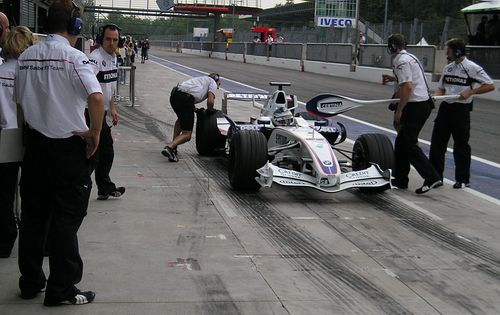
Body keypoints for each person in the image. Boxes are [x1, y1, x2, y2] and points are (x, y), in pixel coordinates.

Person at [14, 0, 104, 306]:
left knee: (32, 218)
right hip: (67, 149)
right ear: (75, 27)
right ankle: (61, 288)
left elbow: (20, 106)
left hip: (35, 146)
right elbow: (95, 96)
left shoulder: (25, 56)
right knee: (66, 219)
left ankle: (30, 282)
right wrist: (95, 133)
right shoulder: (74, 58)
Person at [429, 38, 494, 189]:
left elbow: (490, 85)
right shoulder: (448, 67)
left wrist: (471, 92)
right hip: (446, 107)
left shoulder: (472, 68)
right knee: (437, 143)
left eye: (449, 50)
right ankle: (435, 177)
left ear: (457, 51)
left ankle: (463, 179)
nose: (446, 52)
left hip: (461, 109)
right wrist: (436, 97)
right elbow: (441, 87)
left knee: (461, 145)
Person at [381, 34, 442, 194]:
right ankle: (400, 179)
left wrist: (399, 110)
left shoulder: (400, 61)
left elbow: (407, 87)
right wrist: (393, 78)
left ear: (392, 47)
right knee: (401, 144)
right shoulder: (410, 57)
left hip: (416, 106)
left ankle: (432, 176)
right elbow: (408, 79)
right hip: (421, 103)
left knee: (408, 143)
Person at [0, 26, 36, 258]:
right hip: (31, 136)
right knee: (34, 193)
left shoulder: (1, 71)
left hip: (5, 135)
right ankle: (37, 242)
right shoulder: (32, 74)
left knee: (3, 194)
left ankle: (4, 241)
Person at [88, 24, 126, 200]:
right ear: (100, 39)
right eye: (108, 39)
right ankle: (80, 185)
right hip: (91, 113)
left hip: (102, 113)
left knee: (105, 152)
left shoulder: (114, 58)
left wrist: (112, 108)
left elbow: (109, 86)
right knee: (94, 154)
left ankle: (104, 187)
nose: (111, 43)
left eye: (115, 40)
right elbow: (87, 87)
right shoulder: (95, 59)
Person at [162, 73, 221, 162]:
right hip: (185, 99)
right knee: (187, 134)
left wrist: (196, 110)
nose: (218, 88)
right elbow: (210, 102)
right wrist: (210, 111)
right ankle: (170, 148)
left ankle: (174, 148)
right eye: (219, 85)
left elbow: (188, 95)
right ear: (216, 81)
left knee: (180, 120)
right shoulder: (212, 82)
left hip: (174, 95)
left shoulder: (200, 80)